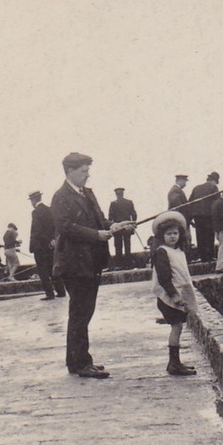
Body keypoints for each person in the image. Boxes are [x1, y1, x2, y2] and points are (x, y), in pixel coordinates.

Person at [50, 151, 134, 378]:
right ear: (70, 171)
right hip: (74, 264)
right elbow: (65, 227)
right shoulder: (60, 197)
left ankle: (79, 361)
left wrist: (116, 225)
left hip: (90, 262)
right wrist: (97, 235)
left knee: (85, 312)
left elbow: (99, 221)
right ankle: (79, 364)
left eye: (88, 170)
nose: (88, 175)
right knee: (79, 313)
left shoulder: (87, 194)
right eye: (83, 171)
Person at [148, 214, 198, 376]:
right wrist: (174, 295)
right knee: (176, 327)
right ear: (162, 236)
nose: (172, 237)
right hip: (170, 296)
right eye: (168, 234)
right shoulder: (162, 252)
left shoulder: (178, 251)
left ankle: (175, 362)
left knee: (178, 327)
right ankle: (174, 364)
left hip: (178, 293)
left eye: (175, 233)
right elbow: (164, 277)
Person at [28, 190, 61, 300]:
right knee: (52, 268)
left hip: (40, 246)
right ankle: (61, 290)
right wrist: (52, 240)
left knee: (42, 270)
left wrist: (34, 244)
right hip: (50, 245)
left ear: (33, 200)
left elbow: (37, 230)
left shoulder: (36, 212)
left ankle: (49, 293)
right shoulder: (49, 209)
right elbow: (54, 226)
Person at [188, 172, 221, 261]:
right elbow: (218, 203)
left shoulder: (196, 188)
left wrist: (190, 219)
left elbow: (189, 203)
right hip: (208, 215)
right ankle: (210, 256)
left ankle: (203, 257)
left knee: (200, 235)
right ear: (214, 180)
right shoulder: (214, 187)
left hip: (197, 216)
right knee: (209, 235)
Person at [107, 187, 137, 263]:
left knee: (118, 246)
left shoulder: (113, 204)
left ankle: (119, 262)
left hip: (118, 228)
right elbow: (134, 215)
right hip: (127, 227)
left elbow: (110, 217)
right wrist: (133, 223)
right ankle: (128, 261)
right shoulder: (129, 202)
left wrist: (112, 226)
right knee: (127, 244)